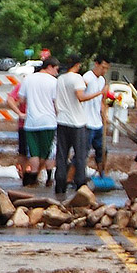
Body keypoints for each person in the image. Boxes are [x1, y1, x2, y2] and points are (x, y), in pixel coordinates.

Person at [54, 54, 103, 194]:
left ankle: (60, 186)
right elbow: (81, 97)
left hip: (62, 120)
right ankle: (80, 184)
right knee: (80, 155)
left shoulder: (61, 78)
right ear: (78, 65)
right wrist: (99, 93)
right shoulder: (77, 78)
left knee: (62, 155)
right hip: (77, 122)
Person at [17, 56, 60, 185]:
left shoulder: (28, 79)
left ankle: (33, 177)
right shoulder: (53, 82)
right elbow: (56, 103)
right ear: (50, 67)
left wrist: (22, 112)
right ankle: (48, 178)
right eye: (56, 69)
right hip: (48, 122)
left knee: (34, 153)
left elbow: (21, 100)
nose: (57, 73)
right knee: (47, 152)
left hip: (31, 122)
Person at [81, 56, 110, 177]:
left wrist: (104, 116)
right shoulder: (87, 77)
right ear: (96, 64)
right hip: (87, 122)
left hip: (97, 122)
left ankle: (101, 174)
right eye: (103, 67)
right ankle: (75, 177)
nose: (104, 71)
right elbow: (80, 95)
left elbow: (101, 102)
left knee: (103, 150)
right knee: (83, 152)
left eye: (106, 69)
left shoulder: (102, 80)